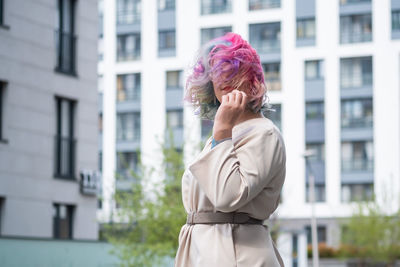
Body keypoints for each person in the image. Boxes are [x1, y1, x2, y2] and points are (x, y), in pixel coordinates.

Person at [174, 32, 286, 267]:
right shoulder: (223, 134)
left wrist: (222, 130)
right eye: (216, 73)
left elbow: (227, 195)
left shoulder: (263, 133)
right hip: (204, 249)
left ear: (252, 79)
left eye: (233, 71)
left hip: (236, 252)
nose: (224, 79)